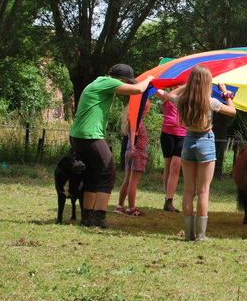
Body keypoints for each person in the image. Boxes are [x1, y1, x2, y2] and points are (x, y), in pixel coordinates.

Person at [156, 65, 236, 241]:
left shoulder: (183, 101)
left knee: (188, 190)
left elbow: (169, 96)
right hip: (205, 141)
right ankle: (201, 234)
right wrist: (226, 93)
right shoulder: (209, 101)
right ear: (208, 83)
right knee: (203, 190)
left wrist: (187, 85)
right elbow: (232, 111)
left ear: (192, 81)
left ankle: (188, 234)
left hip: (188, 141)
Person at [69, 64, 154, 228]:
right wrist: (149, 79)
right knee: (108, 173)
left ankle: (87, 217)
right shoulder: (108, 82)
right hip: (89, 136)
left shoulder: (98, 83)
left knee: (92, 175)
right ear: (120, 79)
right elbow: (137, 90)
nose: (125, 84)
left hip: (78, 135)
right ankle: (99, 219)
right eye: (125, 81)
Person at [115, 100, 151, 216]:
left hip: (132, 153)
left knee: (127, 180)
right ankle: (131, 208)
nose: (146, 112)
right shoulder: (135, 120)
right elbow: (132, 132)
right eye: (144, 109)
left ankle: (120, 206)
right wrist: (131, 146)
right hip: (137, 153)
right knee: (133, 182)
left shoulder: (132, 119)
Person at [160, 95, 185, 212]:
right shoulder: (167, 96)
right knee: (168, 166)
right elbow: (155, 88)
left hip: (183, 135)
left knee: (175, 166)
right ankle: (168, 198)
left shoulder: (186, 97)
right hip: (167, 135)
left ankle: (169, 200)